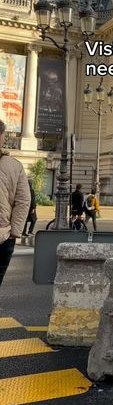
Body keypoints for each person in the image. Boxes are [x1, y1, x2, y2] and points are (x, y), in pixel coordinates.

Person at [0, 119, 31, 286]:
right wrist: (14, 232)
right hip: (3, 235)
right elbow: (24, 200)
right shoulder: (14, 166)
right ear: (1, 137)